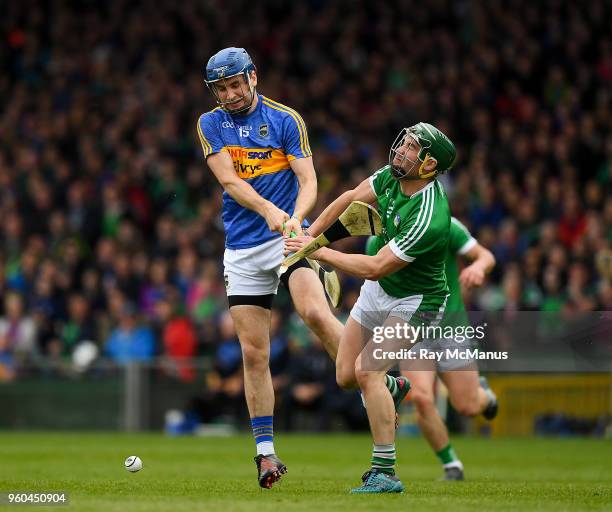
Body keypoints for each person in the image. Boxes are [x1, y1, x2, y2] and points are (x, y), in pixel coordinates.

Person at [197, 47, 393, 489]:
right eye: (220, 89)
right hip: (244, 248)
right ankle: (265, 455)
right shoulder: (210, 124)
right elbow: (229, 180)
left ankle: (373, 381)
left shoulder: (286, 119)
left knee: (314, 314)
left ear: (252, 78)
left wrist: (295, 219)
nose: (229, 95)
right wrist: (268, 209)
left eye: (234, 85)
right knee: (254, 353)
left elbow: (309, 182)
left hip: (288, 237)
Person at [286, 122, 456, 493]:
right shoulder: (392, 177)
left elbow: (375, 265)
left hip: (418, 302)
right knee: (346, 375)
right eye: (405, 143)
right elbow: (350, 197)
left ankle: (385, 473)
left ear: (428, 166)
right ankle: (391, 387)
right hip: (381, 291)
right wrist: (308, 233)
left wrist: (316, 251)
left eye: (412, 149)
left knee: (366, 371)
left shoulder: (430, 216)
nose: (401, 151)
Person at [367, 217, 499, 481]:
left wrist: (479, 268)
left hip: (450, 327)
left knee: (468, 406)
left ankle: (483, 395)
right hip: (413, 329)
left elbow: (485, 256)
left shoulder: (444, 225)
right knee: (421, 398)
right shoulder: (375, 243)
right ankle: (452, 464)